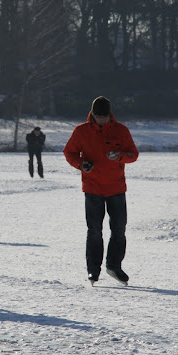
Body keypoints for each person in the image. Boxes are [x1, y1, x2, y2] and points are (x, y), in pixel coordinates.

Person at [63, 96, 139, 286]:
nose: (102, 120)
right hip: (93, 188)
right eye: (98, 117)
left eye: (105, 117)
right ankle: (93, 270)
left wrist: (120, 156)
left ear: (110, 115)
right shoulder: (81, 131)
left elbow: (133, 154)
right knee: (94, 230)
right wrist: (82, 165)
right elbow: (69, 152)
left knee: (119, 229)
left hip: (116, 187)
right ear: (92, 115)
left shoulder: (121, 130)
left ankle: (114, 266)